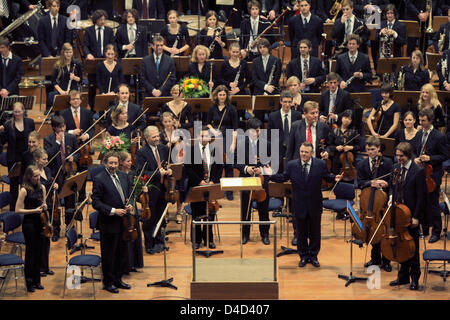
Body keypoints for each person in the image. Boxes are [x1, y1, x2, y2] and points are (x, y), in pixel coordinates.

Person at [269, 142, 338, 268]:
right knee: (300, 233)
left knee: (315, 232)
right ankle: (303, 256)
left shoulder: (320, 164)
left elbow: (327, 177)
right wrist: (270, 174)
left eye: (306, 152)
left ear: (311, 153)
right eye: (301, 151)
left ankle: (313, 256)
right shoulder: (292, 165)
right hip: (299, 204)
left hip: (315, 204)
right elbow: (283, 177)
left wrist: (335, 178)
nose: (303, 154)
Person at [92, 151, 133, 294]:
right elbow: (96, 202)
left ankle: (118, 279)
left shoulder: (123, 175)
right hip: (109, 222)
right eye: (111, 163)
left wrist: (130, 204)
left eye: (116, 163)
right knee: (109, 254)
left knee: (121, 252)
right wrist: (113, 210)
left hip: (123, 222)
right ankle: (108, 282)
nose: (113, 166)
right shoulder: (99, 179)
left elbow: (129, 195)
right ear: (105, 163)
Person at [388, 142, 426, 290]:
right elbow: (392, 186)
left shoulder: (418, 171)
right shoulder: (395, 168)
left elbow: (421, 197)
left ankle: (415, 278)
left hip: (410, 215)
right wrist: (391, 195)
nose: (398, 158)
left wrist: (416, 217)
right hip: (398, 214)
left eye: (401, 156)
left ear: (408, 155)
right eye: (397, 156)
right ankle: (402, 276)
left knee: (413, 248)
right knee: (401, 246)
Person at [356, 136, 393, 272]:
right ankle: (375, 259)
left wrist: (387, 184)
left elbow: (393, 182)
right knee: (373, 231)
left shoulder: (388, 163)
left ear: (378, 149)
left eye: (372, 149)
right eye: (368, 150)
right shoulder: (362, 164)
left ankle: (387, 260)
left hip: (383, 202)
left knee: (385, 232)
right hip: (369, 204)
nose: (370, 152)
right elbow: (359, 183)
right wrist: (371, 183)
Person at [184, 126, 223, 249]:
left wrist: (213, 181)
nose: (203, 138)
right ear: (197, 137)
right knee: (196, 214)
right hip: (197, 186)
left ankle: (209, 239)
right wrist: (199, 181)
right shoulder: (191, 150)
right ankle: (196, 240)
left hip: (210, 186)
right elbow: (188, 169)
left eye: (206, 135)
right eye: (201, 135)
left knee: (210, 214)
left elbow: (219, 167)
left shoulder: (215, 150)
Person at [135, 126, 172, 254]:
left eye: (158, 136)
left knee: (161, 216)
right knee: (150, 218)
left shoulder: (163, 148)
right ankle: (150, 244)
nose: (157, 139)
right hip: (150, 190)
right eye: (154, 137)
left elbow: (168, 163)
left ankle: (160, 241)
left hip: (164, 188)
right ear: (146, 138)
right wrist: (157, 173)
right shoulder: (141, 152)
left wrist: (169, 170)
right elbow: (141, 172)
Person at [414, 108, 449, 243]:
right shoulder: (419, 134)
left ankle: (436, 231)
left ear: (430, 120)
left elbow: (445, 155)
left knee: (433, 203)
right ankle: (425, 228)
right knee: (421, 201)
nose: (420, 123)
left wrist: (430, 158)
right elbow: (413, 150)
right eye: (420, 120)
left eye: (423, 121)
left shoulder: (439, 136)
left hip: (433, 174)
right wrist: (416, 158)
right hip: (420, 172)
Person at [236, 117, 272, 245]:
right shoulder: (241, 144)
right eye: (253, 131)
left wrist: (261, 169)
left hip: (262, 181)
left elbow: (271, 162)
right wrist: (247, 168)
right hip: (246, 179)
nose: (256, 133)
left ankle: (265, 234)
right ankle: (245, 234)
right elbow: (236, 162)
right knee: (245, 208)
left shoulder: (266, 144)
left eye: (258, 131)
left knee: (263, 209)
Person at [43, 115, 78, 242]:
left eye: (63, 127)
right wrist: (58, 143)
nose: (62, 130)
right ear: (53, 128)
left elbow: (77, 151)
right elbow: (48, 156)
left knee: (70, 203)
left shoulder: (71, 137)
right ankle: (56, 230)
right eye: (59, 128)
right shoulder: (48, 140)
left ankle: (69, 228)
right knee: (55, 205)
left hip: (68, 175)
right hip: (55, 176)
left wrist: (75, 157)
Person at [15, 165, 47, 292]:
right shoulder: (24, 190)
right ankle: (29, 282)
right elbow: (17, 210)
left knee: (39, 252)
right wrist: (34, 210)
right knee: (30, 254)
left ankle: (37, 280)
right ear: (28, 177)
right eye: (35, 176)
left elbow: (43, 203)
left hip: (40, 223)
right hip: (29, 224)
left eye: (39, 175)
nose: (38, 178)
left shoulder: (42, 187)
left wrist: (44, 206)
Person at [0, 102, 35, 210]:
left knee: (27, 184)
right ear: (13, 113)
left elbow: (33, 138)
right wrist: (1, 132)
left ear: (23, 111)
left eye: (19, 111)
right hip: (13, 159)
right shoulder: (8, 124)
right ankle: (13, 210)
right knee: (14, 186)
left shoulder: (30, 122)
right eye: (15, 112)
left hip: (27, 158)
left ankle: (28, 208)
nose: (17, 113)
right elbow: (3, 141)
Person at [206, 85, 239, 200]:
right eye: (220, 95)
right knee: (216, 165)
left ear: (227, 95)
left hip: (229, 137)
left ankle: (229, 192)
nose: (222, 97)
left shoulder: (232, 109)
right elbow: (207, 123)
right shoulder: (212, 108)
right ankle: (216, 191)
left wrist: (233, 144)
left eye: (224, 95)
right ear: (216, 95)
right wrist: (213, 130)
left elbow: (235, 128)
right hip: (216, 139)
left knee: (228, 166)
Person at [82, 9, 116, 110]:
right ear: (95, 20)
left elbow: (112, 44)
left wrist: (109, 54)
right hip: (93, 62)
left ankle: (106, 108)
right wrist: (88, 54)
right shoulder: (89, 31)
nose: (102, 21)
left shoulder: (109, 31)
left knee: (104, 86)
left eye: (103, 19)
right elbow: (85, 46)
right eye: (101, 19)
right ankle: (92, 108)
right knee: (92, 87)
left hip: (106, 62)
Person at [32, 148, 57, 278]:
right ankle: (39, 268)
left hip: (48, 206)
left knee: (47, 237)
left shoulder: (47, 170)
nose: (47, 161)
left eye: (47, 159)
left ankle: (45, 266)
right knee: (39, 239)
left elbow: (49, 183)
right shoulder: (33, 172)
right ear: (36, 160)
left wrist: (54, 184)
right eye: (44, 159)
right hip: (38, 208)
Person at [118, 151, 144, 273]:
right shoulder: (119, 175)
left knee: (136, 236)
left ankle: (135, 263)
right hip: (123, 209)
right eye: (128, 161)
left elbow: (134, 193)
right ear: (122, 162)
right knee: (127, 237)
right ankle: (126, 264)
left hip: (132, 208)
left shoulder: (133, 173)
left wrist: (133, 202)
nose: (131, 162)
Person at [267, 90, 302, 170]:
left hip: (293, 148)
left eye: (289, 102)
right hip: (278, 148)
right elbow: (270, 136)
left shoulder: (297, 115)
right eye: (285, 102)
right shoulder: (273, 116)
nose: (287, 104)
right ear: (280, 102)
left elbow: (300, 134)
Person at [47, 43, 82, 113]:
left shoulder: (76, 63)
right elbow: (53, 81)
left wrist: (74, 77)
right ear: (63, 52)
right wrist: (61, 91)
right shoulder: (58, 65)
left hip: (74, 92)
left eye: (70, 52)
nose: (69, 54)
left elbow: (80, 80)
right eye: (66, 52)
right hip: (62, 91)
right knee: (61, 113)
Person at [326, 109, 360, 175]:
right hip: (336, 161)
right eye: (345, 117)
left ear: (352, 121)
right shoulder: (334, 130)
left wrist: (351, 147)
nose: (347, 120)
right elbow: (329, 146)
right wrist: (336, 148)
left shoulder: (354, 132)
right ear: (342, 117)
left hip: (350, 162)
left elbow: (359, 147)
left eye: (349, 119)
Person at [373, 4, 406, 71]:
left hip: (395, 55)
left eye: (391, 13)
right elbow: (375, 39)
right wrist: (380, 33)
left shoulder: (401, 26)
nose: (389, 15)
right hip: (382, 55)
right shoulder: (381, 24)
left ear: (395, 14)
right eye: (388, 13)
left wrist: (395, 34)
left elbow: (403, 42)